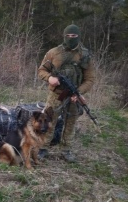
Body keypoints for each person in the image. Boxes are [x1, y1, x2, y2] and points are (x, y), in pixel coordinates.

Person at [37, 24, 96, 163]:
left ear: (79, 36)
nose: (71, 38)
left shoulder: (85, 55)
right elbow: (41, 70)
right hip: (56, 94)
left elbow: (90, 79)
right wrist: (49, 78)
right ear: (64, 36)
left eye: (74, 36)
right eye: (68, 36)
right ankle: (43, 148)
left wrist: (79, 92)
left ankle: (66, 150)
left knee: (71, 123)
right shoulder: (54, 52)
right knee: (48, 120)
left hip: (74, 96)